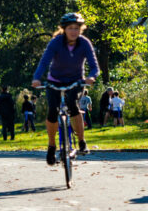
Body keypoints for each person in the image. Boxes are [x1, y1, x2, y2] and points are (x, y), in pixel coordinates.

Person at [31, 11, 99, 165]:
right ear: (64, 29)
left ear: (80, 29)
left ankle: (81, 141)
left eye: (76, 28)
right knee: (53, 111)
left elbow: (95, 66)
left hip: (75, 82)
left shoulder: (84, 43)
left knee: (73, 108)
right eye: (70, 28)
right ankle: (51, 145)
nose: (73, 31)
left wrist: (91, 77)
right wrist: (36, 78)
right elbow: (44, 62)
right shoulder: (56, 42)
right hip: (54, 81)